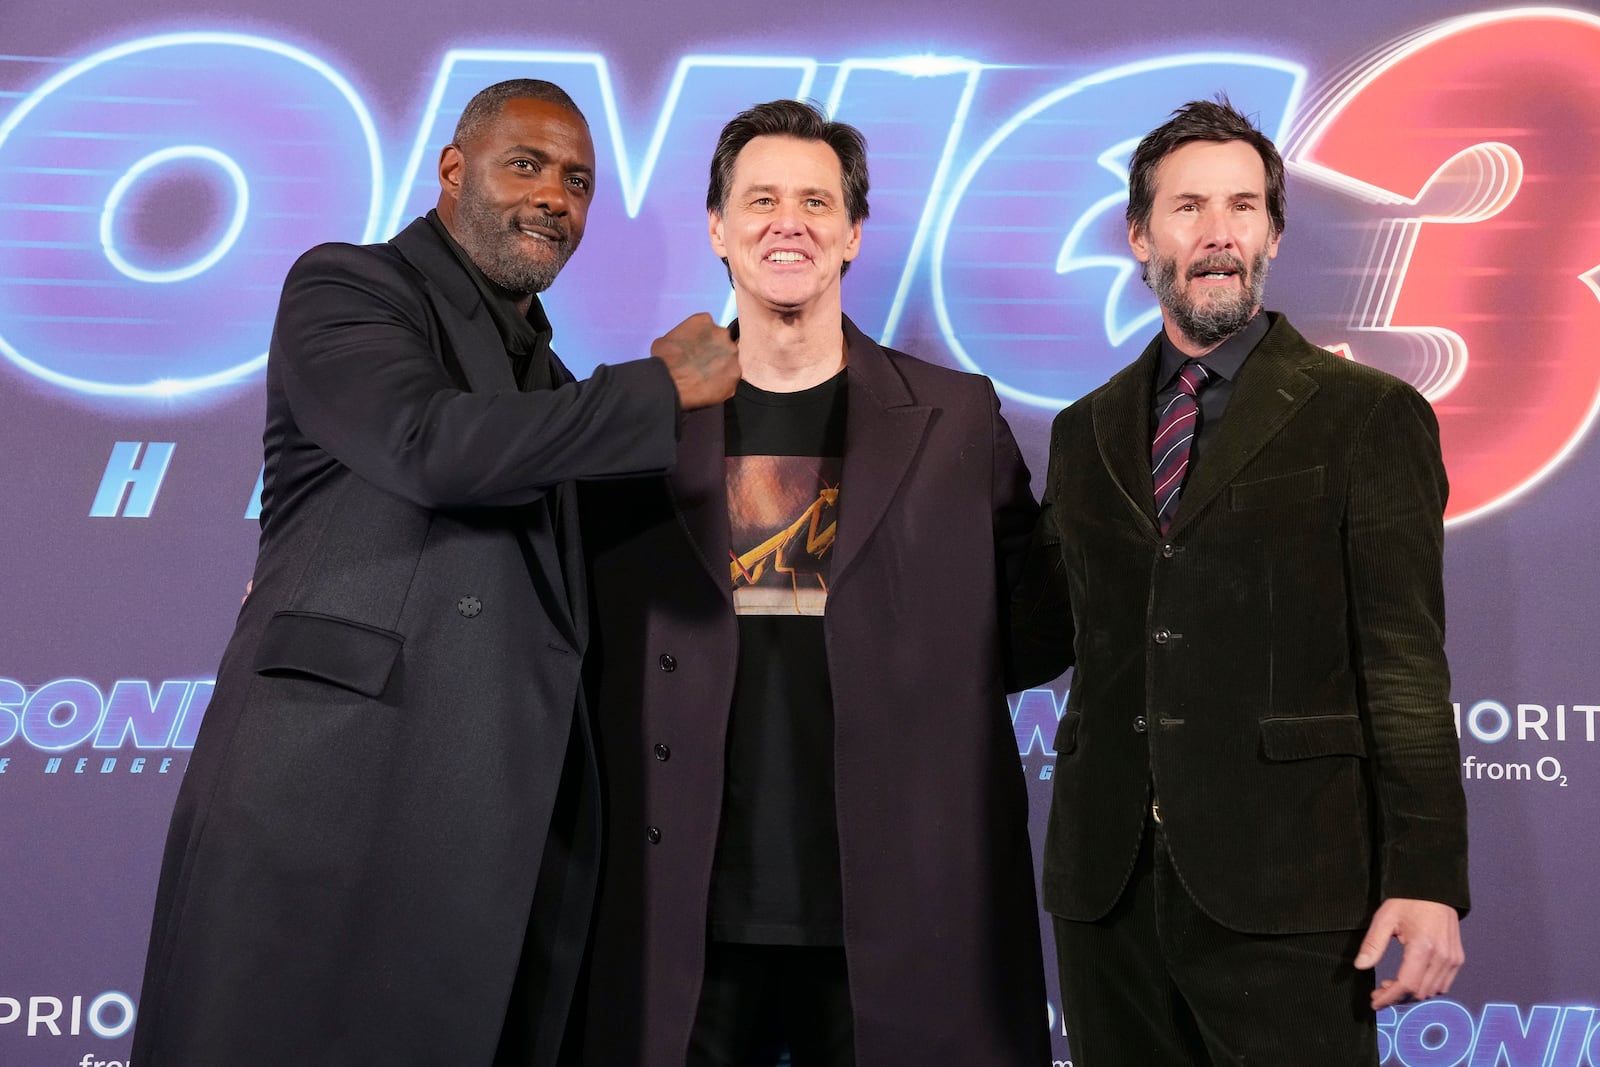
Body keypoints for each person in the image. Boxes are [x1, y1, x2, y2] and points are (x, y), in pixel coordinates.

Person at [130, 79, 738, 1066]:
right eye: (526, 165)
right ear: (455, 171)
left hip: (484, 843)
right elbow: (432, 444)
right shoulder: (348, 285)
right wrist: (663, 384)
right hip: (329, 805)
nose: (555, 197)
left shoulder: (545, 377)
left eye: (577, 181)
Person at [577, 99, 1051, 1066]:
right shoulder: (628, 417)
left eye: (814, 201)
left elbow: (1033, 630)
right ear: (717, 226)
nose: (786, 222)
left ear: (851, 233)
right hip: (678, 919)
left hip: (896, 923)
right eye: (759, 199)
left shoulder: (956, 417)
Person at [1010, 97, 1470, 1065]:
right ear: (1138, 234)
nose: (1217, 231)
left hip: (1292, 890)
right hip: (1107, 892)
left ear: (1271, 231)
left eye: (1242, 206)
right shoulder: (1082, 430)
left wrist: (1427, 876)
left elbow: (1403, 665)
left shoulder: (1366, 416)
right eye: (1187, 208)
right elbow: (1042, 633)